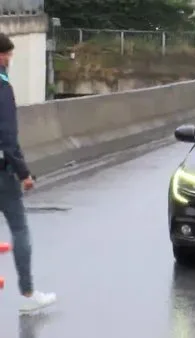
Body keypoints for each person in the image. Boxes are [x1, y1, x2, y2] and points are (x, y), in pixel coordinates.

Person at [0, 33, 57, 313]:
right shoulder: (3, 88)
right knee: (19, 228)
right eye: (8, 55)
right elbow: (8, 138)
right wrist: (24, 172)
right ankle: (28, 292)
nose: (10, 60)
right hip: (2, 173)